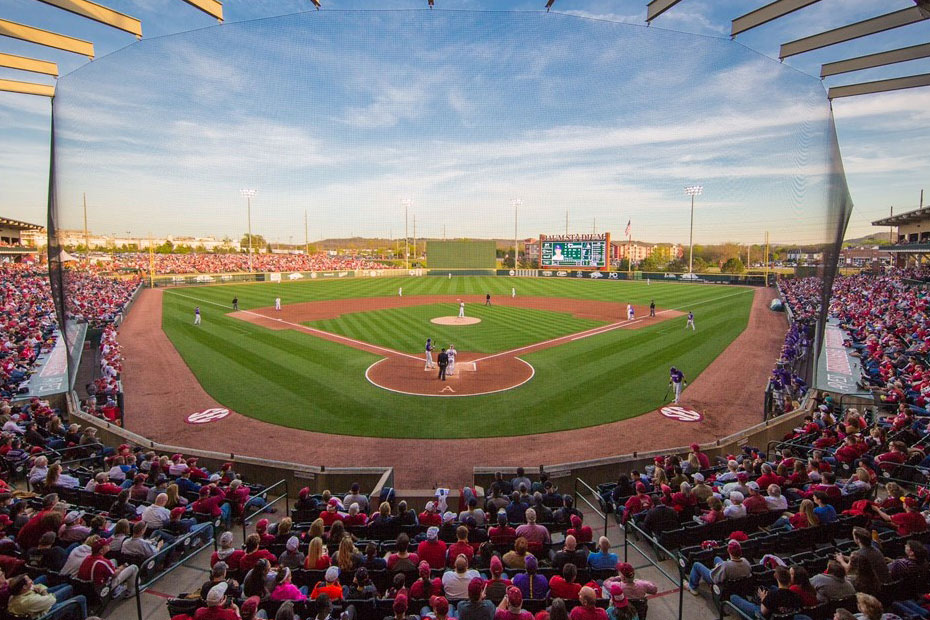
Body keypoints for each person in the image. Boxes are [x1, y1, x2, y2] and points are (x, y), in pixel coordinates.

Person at [729, 565, 802, 619]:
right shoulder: (796, 596)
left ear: (776, 577)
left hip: (763, 616)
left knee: (733, 597)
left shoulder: (772, 595)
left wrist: (763, 598)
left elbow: (763, 612)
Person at [685, 540, 751, 595]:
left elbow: (713, 577)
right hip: (736, 581)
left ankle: (692, 587)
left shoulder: (726, 565)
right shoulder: (746, 562)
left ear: (728, 551)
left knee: (696, 565)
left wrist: (715, 569)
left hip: (722, 582)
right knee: (717, 558)